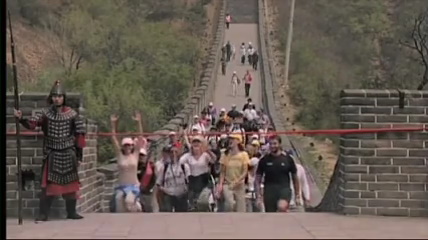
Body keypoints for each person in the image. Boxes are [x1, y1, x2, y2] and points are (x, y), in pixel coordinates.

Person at [14, 80, 86, 221]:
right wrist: (21, 118)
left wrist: (79, 156)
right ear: (51, 97)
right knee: (48, 186)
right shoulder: (45, 113)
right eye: (54, 96)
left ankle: (71, 212)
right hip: (52, 153)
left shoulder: (73, 114)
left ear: (64, 97)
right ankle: (43, 214)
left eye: (59, 96)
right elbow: (31, 124)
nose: (56, 98)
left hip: (68, 153)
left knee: (71, 185)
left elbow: (80, 136)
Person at [110, 113, 146, 213]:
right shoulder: (120, 156)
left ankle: (137, 209)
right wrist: (113, 124)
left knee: (129, 201)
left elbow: (140, 137)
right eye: (126, 145)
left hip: (133, 185)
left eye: (129, 145)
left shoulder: (135, 155)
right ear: (123, 146)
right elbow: (113, 138)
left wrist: (138, 122)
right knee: (119, 202)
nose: (128, 147)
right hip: (121, 185)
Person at [255, 135, 300, 212]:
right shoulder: (264, 160)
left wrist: (297, 195)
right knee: (270, 214)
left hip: (284, 189)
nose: (272, 146)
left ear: (279, 144)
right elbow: (257, 179)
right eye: (271, 144)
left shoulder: (288, 159)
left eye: (275, 143)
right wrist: (258, 195)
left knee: (281, 206)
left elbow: (295, 177)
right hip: (269, 190)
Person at [179, 136, 216, 211]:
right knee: (192, 204)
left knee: (203, 202)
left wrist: (208, 151)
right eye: (194, 142)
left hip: (204, 180)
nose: (196, 144)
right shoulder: (188, 156)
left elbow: (213, 160)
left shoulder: (205, 155)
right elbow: (179, 162)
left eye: (198, 142)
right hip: (193, 180)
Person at [216, 134, 250, 212]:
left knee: (241, 209)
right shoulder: (225, 154)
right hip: (227, 183)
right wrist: (220, 185)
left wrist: (237, 181)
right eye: (230, 139)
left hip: (239, 184)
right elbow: (222, 172)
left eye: (233, 139)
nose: (230, 140)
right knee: (229, 204)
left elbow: (245, 171)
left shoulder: (244, 155)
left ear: (238, 141)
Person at [156, 144, 190, 212]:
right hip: (168, 194)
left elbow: (189, 181)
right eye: (171, 152)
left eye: (175, 152)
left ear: (179, 153)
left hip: (181, 194)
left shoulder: (184, 166)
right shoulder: (164, 167)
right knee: (167, 214)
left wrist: (186, 190)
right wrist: (163, 190)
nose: (173, 154)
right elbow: (158, 183)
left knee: (182, 215)